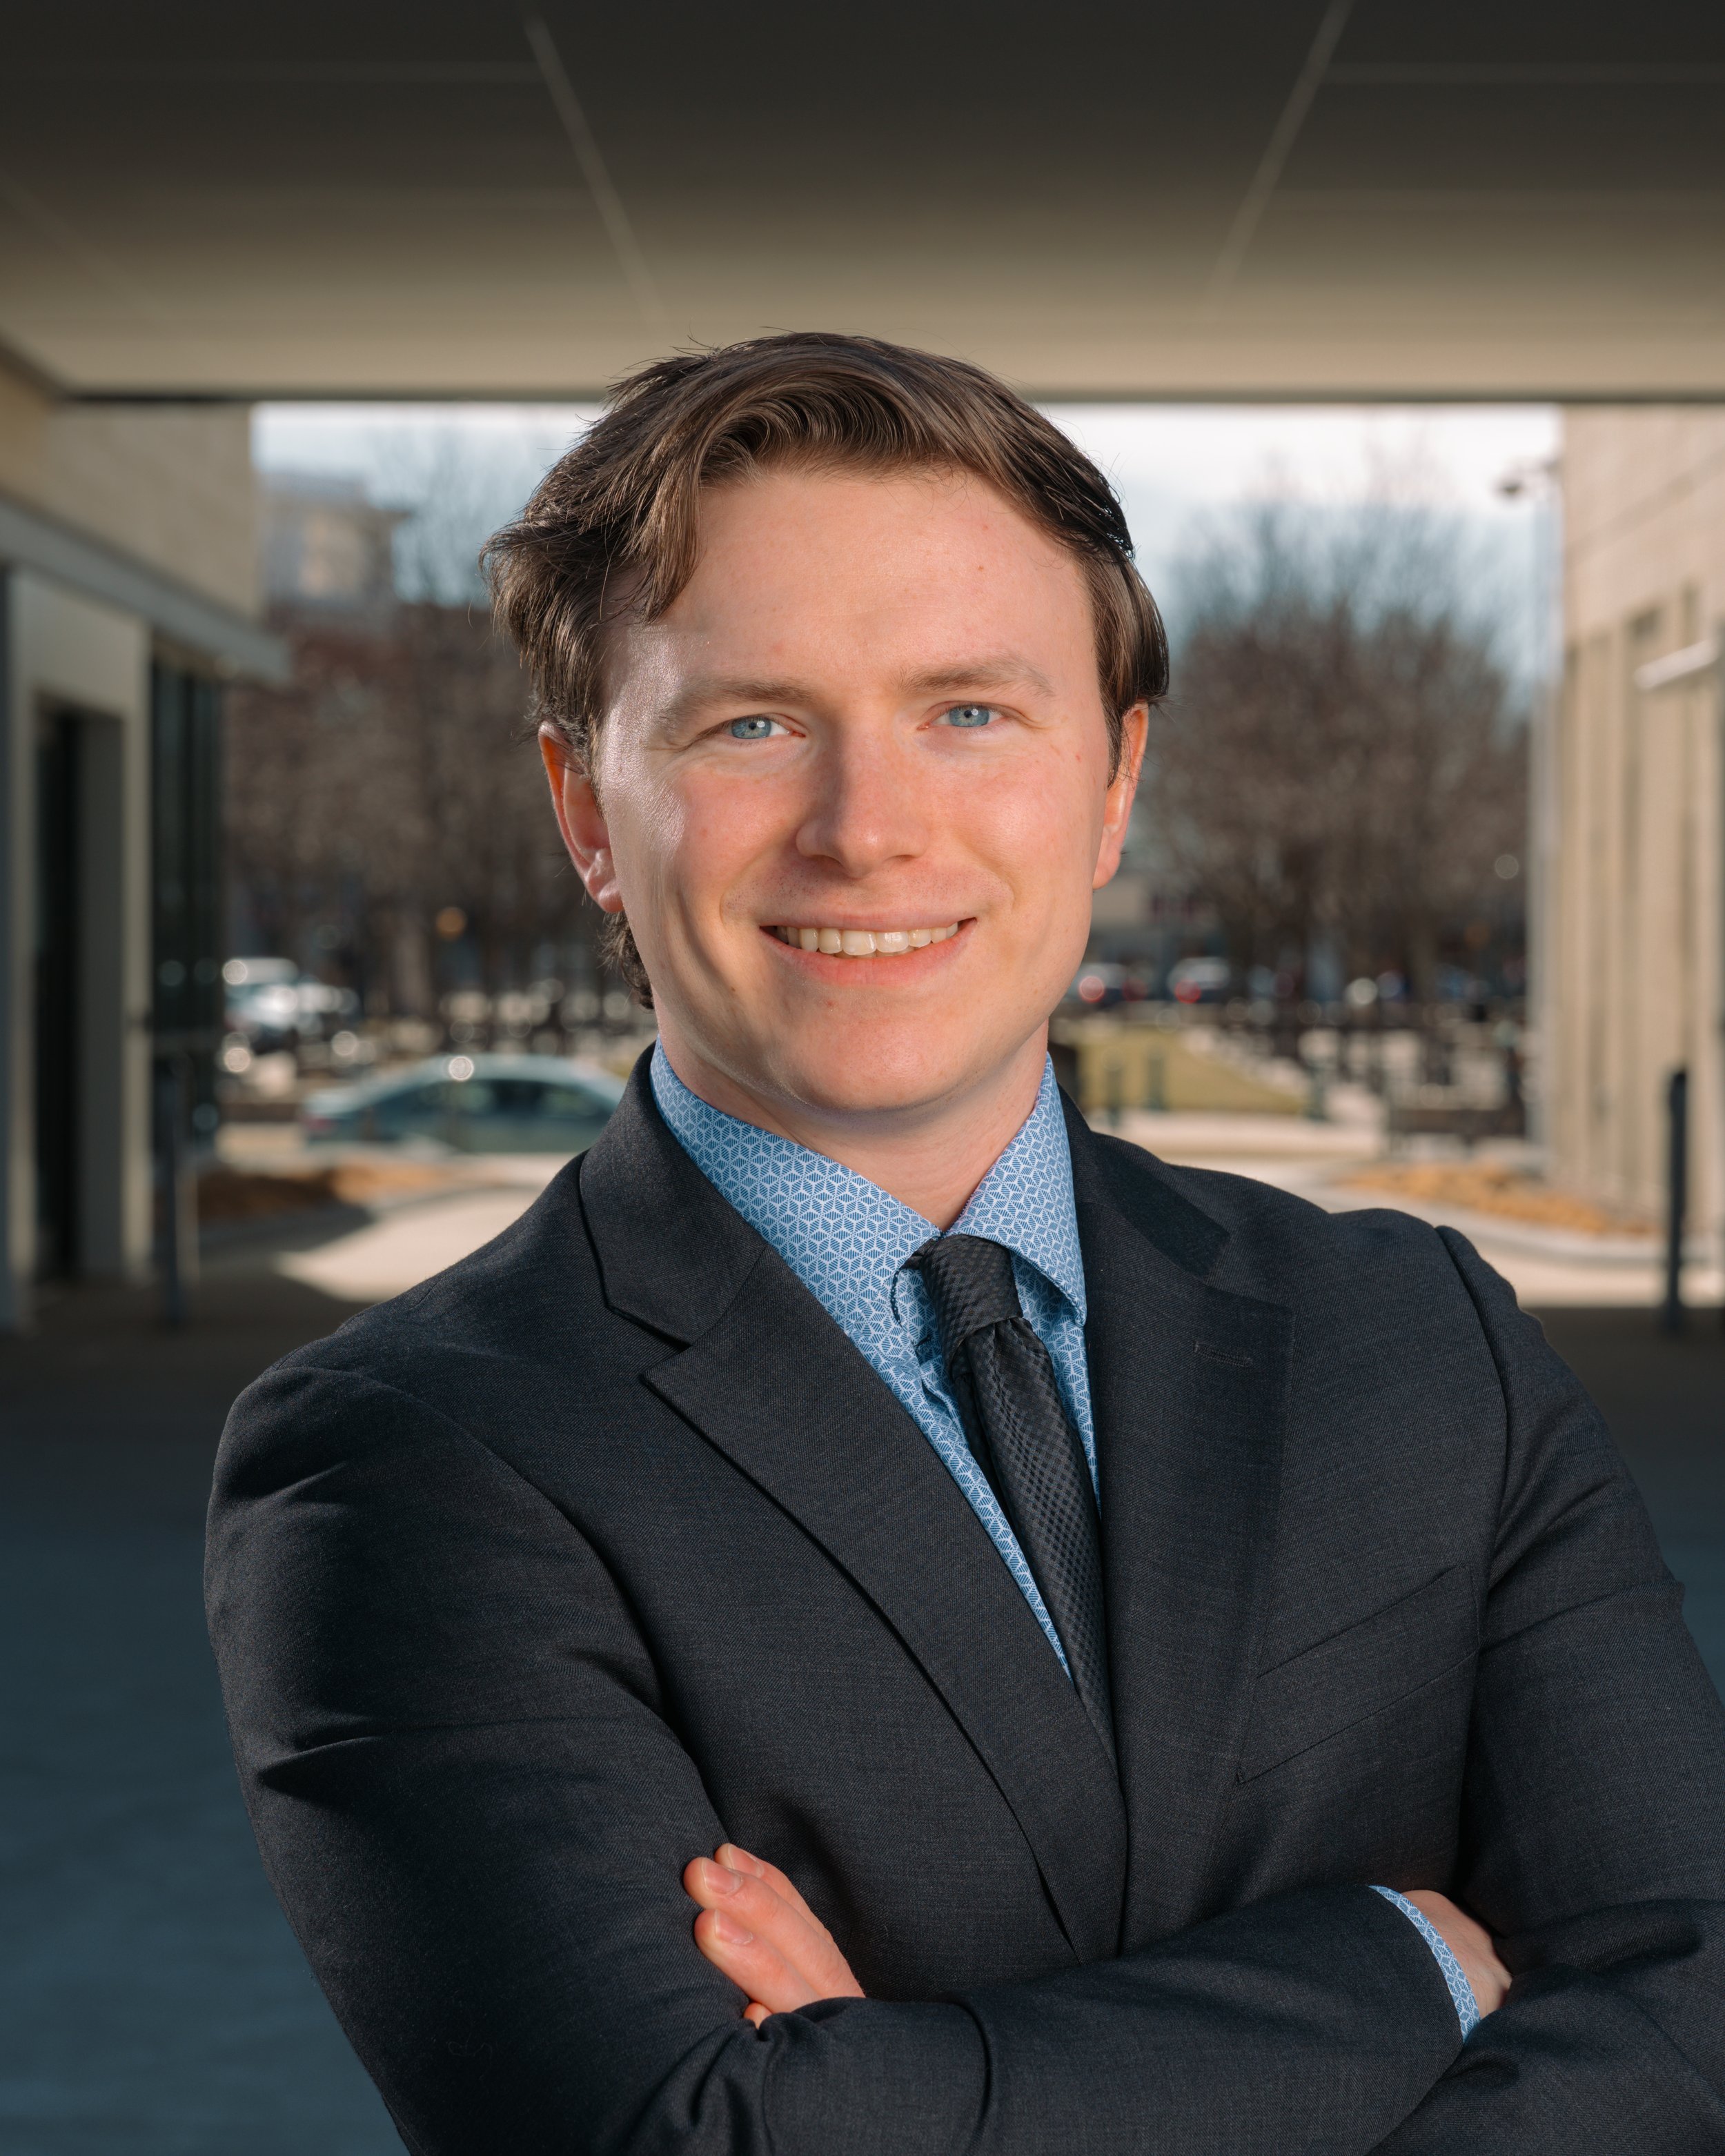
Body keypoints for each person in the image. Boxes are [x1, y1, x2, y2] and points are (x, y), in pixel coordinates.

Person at [206, 333, 1725, 2155]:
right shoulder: (403, 1461)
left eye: (969, 711)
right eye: (750, 721)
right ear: (584, 812)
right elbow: (690, 2140)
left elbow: (1691, 2001)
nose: (868, 829)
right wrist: (1399, 1968)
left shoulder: (1420, 1338)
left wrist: (903, 2090)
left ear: (1110, 784)